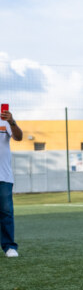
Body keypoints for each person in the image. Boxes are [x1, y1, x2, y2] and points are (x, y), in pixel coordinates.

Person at [1, 107, 22, 257]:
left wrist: (12, 121)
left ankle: (9, 247)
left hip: (3, 176)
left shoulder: (5, 120)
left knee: (6, 212)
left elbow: (19, 138)